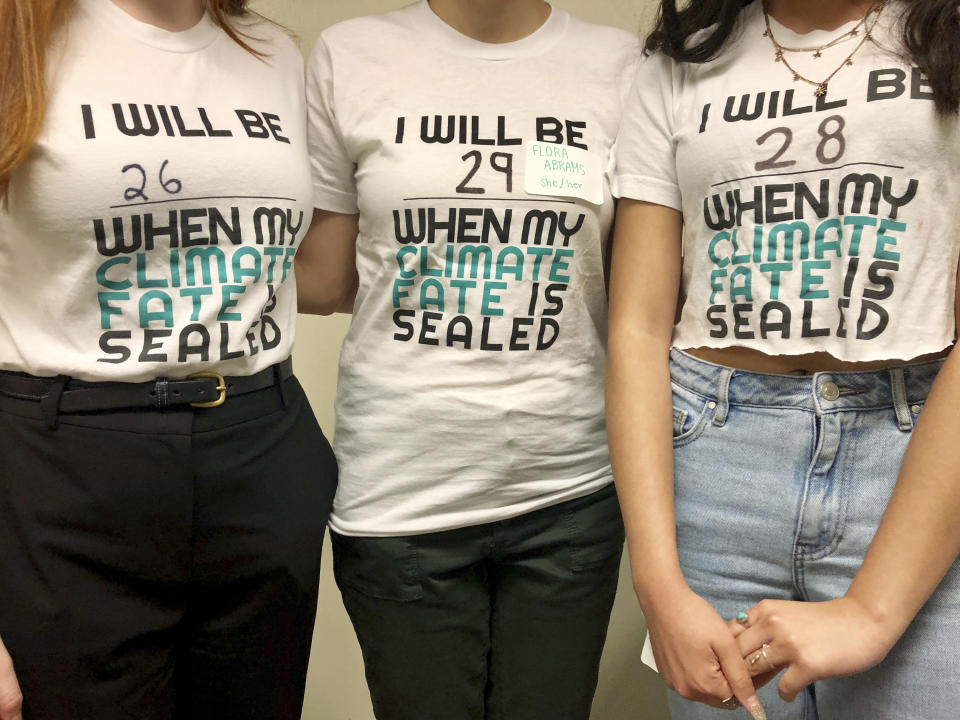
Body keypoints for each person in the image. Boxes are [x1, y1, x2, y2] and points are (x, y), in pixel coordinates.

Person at [608, 0, 960, 717]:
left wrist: (872, 610)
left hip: (917, 460)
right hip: (715, 467)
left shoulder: (944, 35)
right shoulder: (681, 59)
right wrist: (659, 582)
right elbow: (638, 329)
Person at [295, 1, 639, 717]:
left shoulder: (622, 66)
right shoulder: (349, 55)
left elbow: (637, 286)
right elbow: (326, 277)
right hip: (402, 499)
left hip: (568, 492)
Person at [0, 1, 337, 718]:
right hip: (65, 470)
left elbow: (306, 268)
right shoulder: (18, 36)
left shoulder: (272, 53)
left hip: (260, 452)